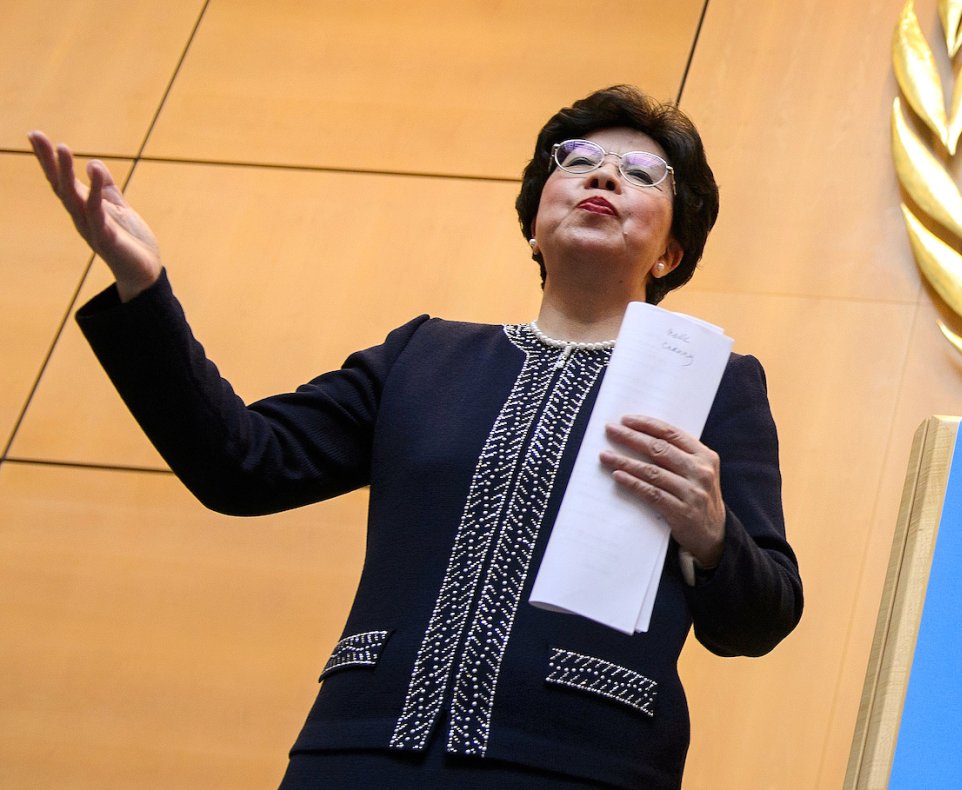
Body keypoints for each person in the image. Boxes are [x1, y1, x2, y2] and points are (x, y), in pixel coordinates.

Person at [28, 85, 802, 789]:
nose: (603, 178)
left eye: (641, 174)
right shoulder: (422, 356)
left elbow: (760, 619)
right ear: (535, 224)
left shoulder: (714, 385)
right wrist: (143, 288)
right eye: (579, 163)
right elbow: (241, 464)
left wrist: (712, 536)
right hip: (359, 752)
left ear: (671, 251)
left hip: (584, 762)